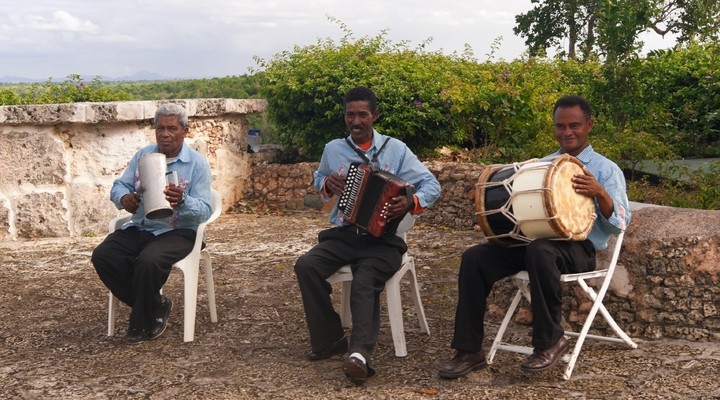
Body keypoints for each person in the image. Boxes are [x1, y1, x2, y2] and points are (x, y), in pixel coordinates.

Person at [437, 95, 631, 378]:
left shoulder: (605, 169)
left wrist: (600, 192)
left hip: (578, 250)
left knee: (541, 250)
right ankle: (469, 350)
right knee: (475, 257)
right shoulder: (543, 164)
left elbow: (621, 223)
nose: (567, 132)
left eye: (574, 125)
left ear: (589, 125)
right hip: (533, 245)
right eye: (560, 126)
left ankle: (550, 341)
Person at [294, 86, 441, 384]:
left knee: (364, 280)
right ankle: (330, 339)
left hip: (383, 240)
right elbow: (319, 178)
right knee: (306, 266)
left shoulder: (395, 150)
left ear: (375, 115)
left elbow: (431, 185)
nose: (356, 121)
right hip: (344, 234)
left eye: (363, 115)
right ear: (345, 117)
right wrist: (327, 184)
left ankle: (359, 354)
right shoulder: (333, 148)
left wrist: (410, 202)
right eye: (350, 115)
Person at [92, 103, 212, 344]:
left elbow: (205, 211)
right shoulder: (143, 155)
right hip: (141, 227)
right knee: (103, 255)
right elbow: (120, 185)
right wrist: (123, 198)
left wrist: (184, 201)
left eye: (172, 128)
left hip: (179, 231)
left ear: (185, 131)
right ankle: (155, 306)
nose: (165, 134)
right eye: (160, 128)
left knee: (149, 261)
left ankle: (139, 321)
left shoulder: (196, 164)